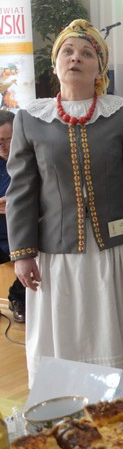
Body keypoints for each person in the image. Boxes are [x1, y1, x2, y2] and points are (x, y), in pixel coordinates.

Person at [7, 20, 123, 387]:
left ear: (99, 68)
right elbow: (21, 190)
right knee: (70, 334)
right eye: (68, 51)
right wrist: (22, 253)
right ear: (55, 63)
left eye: (87, 53)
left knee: (118, 329)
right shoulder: (31, 119)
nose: (75, 58)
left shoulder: (121, 114)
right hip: (58, 254)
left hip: (116, 250)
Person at [0, 111, 24, 324]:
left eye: (7, 140)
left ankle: (17, 298)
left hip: (23, 229)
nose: (3, 147)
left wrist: (17, 203)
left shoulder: (29, 158)